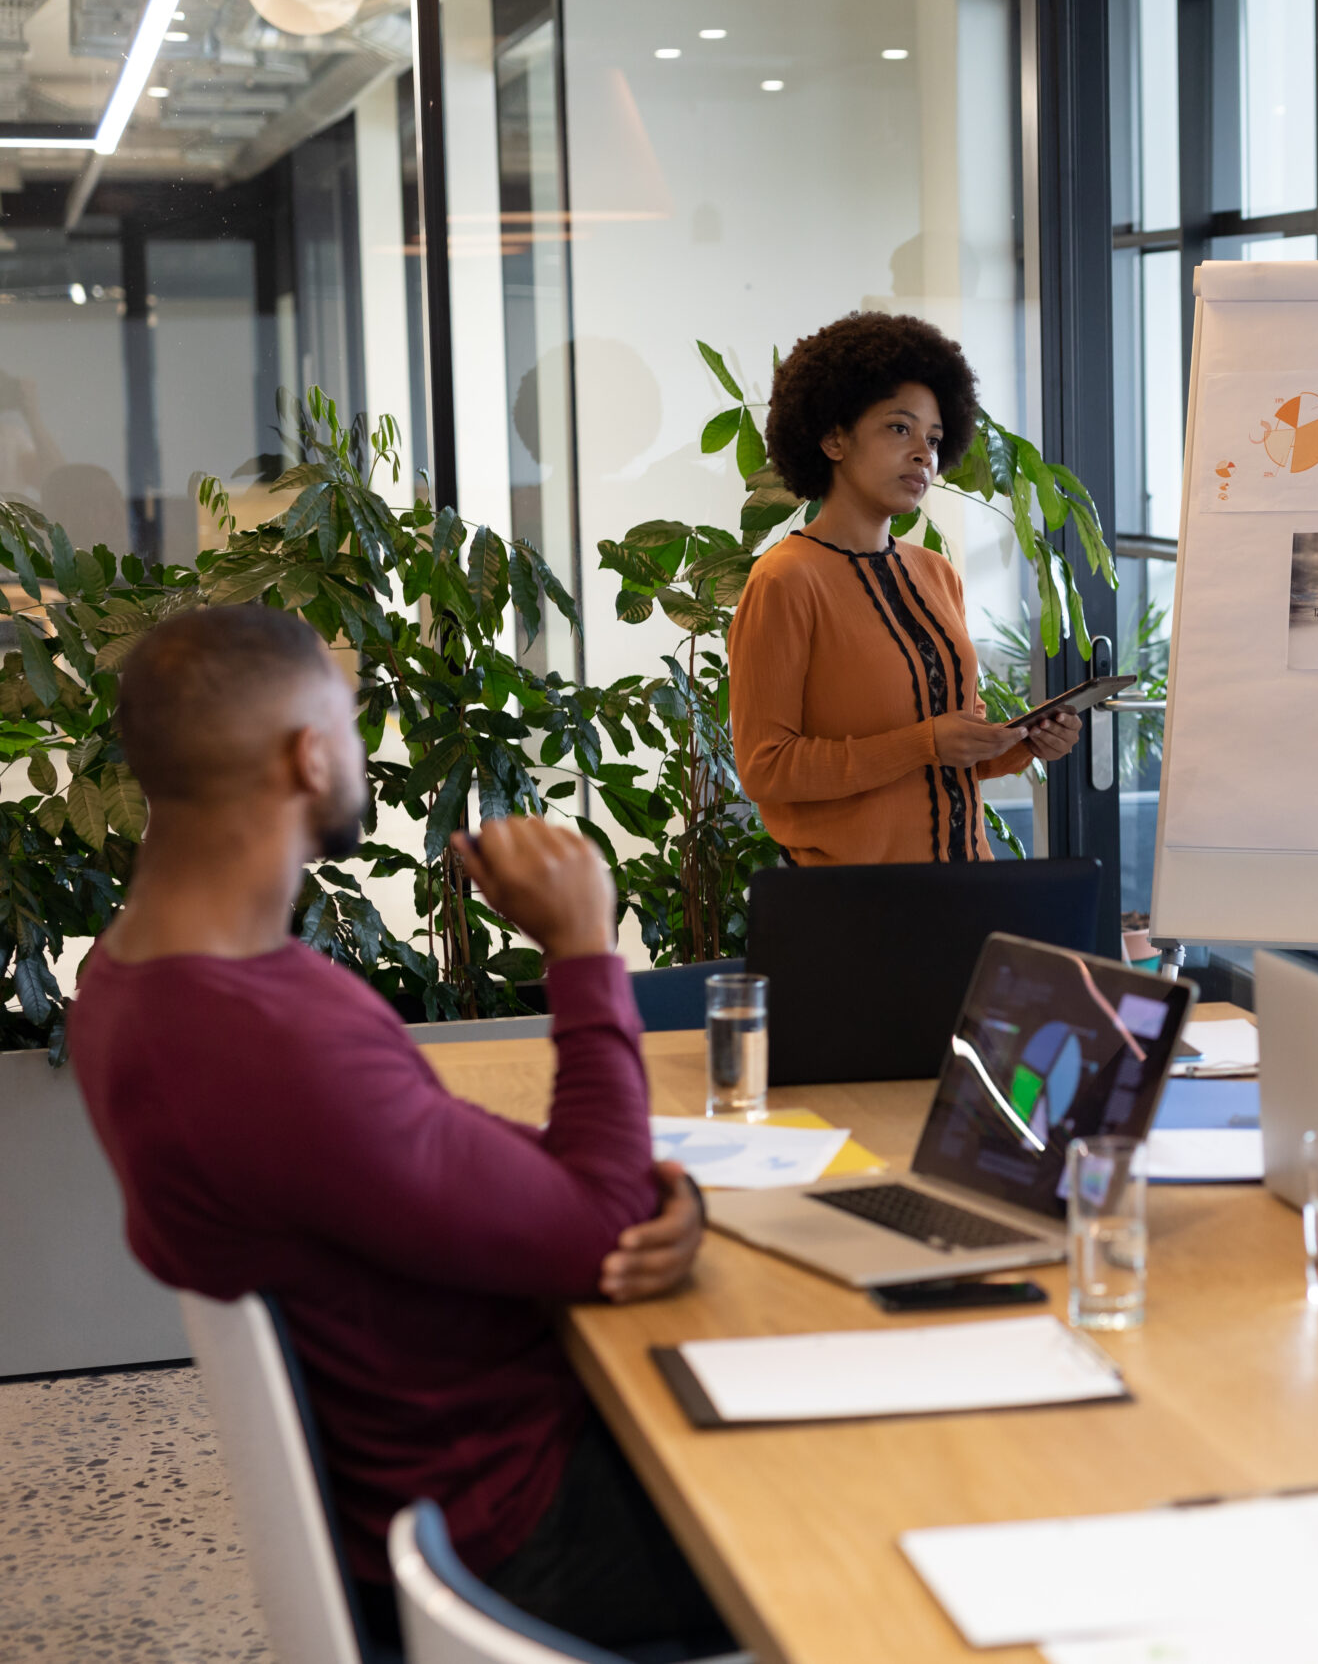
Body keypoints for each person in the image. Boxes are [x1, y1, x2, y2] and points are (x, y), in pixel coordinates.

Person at [71, 605, 731, 1655]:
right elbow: (603, 1231)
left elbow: (415, 1143)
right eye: (352, 727)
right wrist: (583, 947)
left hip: (417, 1488)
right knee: (882, 1483)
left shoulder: (128, 983)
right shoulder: (269, 1039)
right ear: (308, 754)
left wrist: (649, 1194)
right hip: (511, 1527)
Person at [730, 312, 1080, 864]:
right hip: (858, 913)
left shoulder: (936, 572)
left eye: (935, 439)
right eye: (900, 428)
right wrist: (924, 743)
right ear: (833, 438)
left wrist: (1019, 745)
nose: (924, 453)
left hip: (968, 895)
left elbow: (954, 746)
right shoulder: (784, 580)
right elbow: (766, 767)